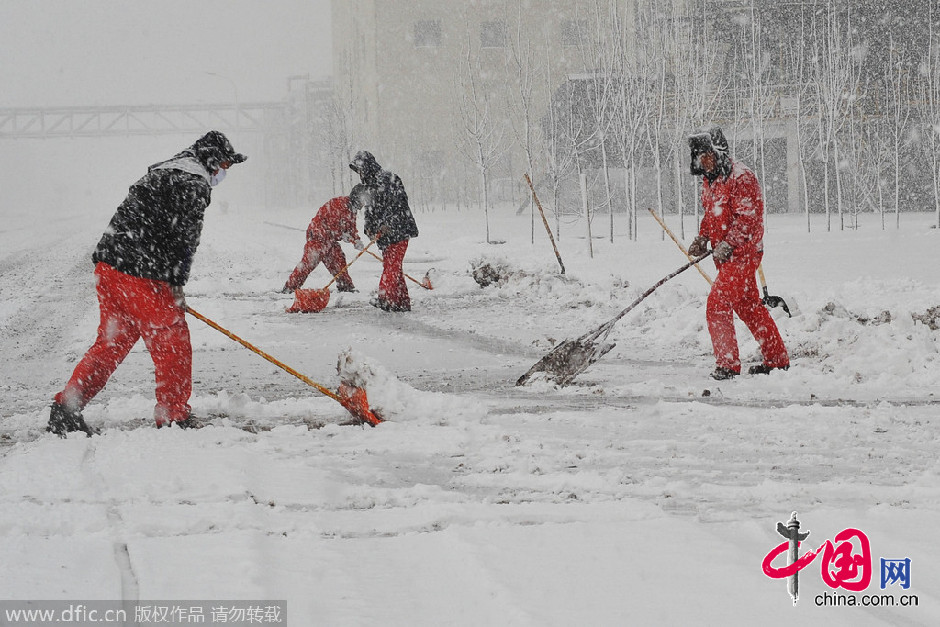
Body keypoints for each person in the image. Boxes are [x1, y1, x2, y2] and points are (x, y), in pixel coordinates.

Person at [47, 130, 247, 436]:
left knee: (111, 343)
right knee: (172, 342)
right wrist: (176, 287)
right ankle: (173, 416)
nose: (223, 173)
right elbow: (185, 241)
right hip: (140, 273)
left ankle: (67, 409)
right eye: (223, 166)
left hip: (110, 267)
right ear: (211, 160)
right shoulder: (192, 183)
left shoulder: (165, 171)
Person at [687, 126, 789, 380]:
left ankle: (728, 365)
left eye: (707, 155)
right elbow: (713, 215)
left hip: (743, 254)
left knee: (717, 304)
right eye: (700, 157)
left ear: (719, 153)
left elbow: (748, 219)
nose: (704, 161)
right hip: (725, 256)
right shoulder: (710, 181)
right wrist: (703, 237)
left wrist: (729, 244)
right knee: (748, 305)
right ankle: (776, 359)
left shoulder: (741, 178)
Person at [349, 150, 419, 312]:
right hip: (386, 236)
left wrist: (388, 223)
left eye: (360, 169)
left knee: (391, 267)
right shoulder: (369, 186)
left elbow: (399, 204)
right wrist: (370, 230)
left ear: (367, 167)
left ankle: (385, 297)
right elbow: (371, 212)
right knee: (394, 267)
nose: (359, 173)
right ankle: (400, 302)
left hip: (398, 231)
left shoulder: (388, 179)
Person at [280, 188, 365, 293]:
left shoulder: (352, 210)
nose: (364, 203)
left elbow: (350, 227)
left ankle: (345, 286)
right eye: (363, 200)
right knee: (308, 263)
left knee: (339, 260)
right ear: (357, 198)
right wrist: (341, 234)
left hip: (330, 240)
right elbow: (332, 225)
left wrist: (356, 240)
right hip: (318, 237)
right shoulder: (338, 204)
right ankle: (290, 288)